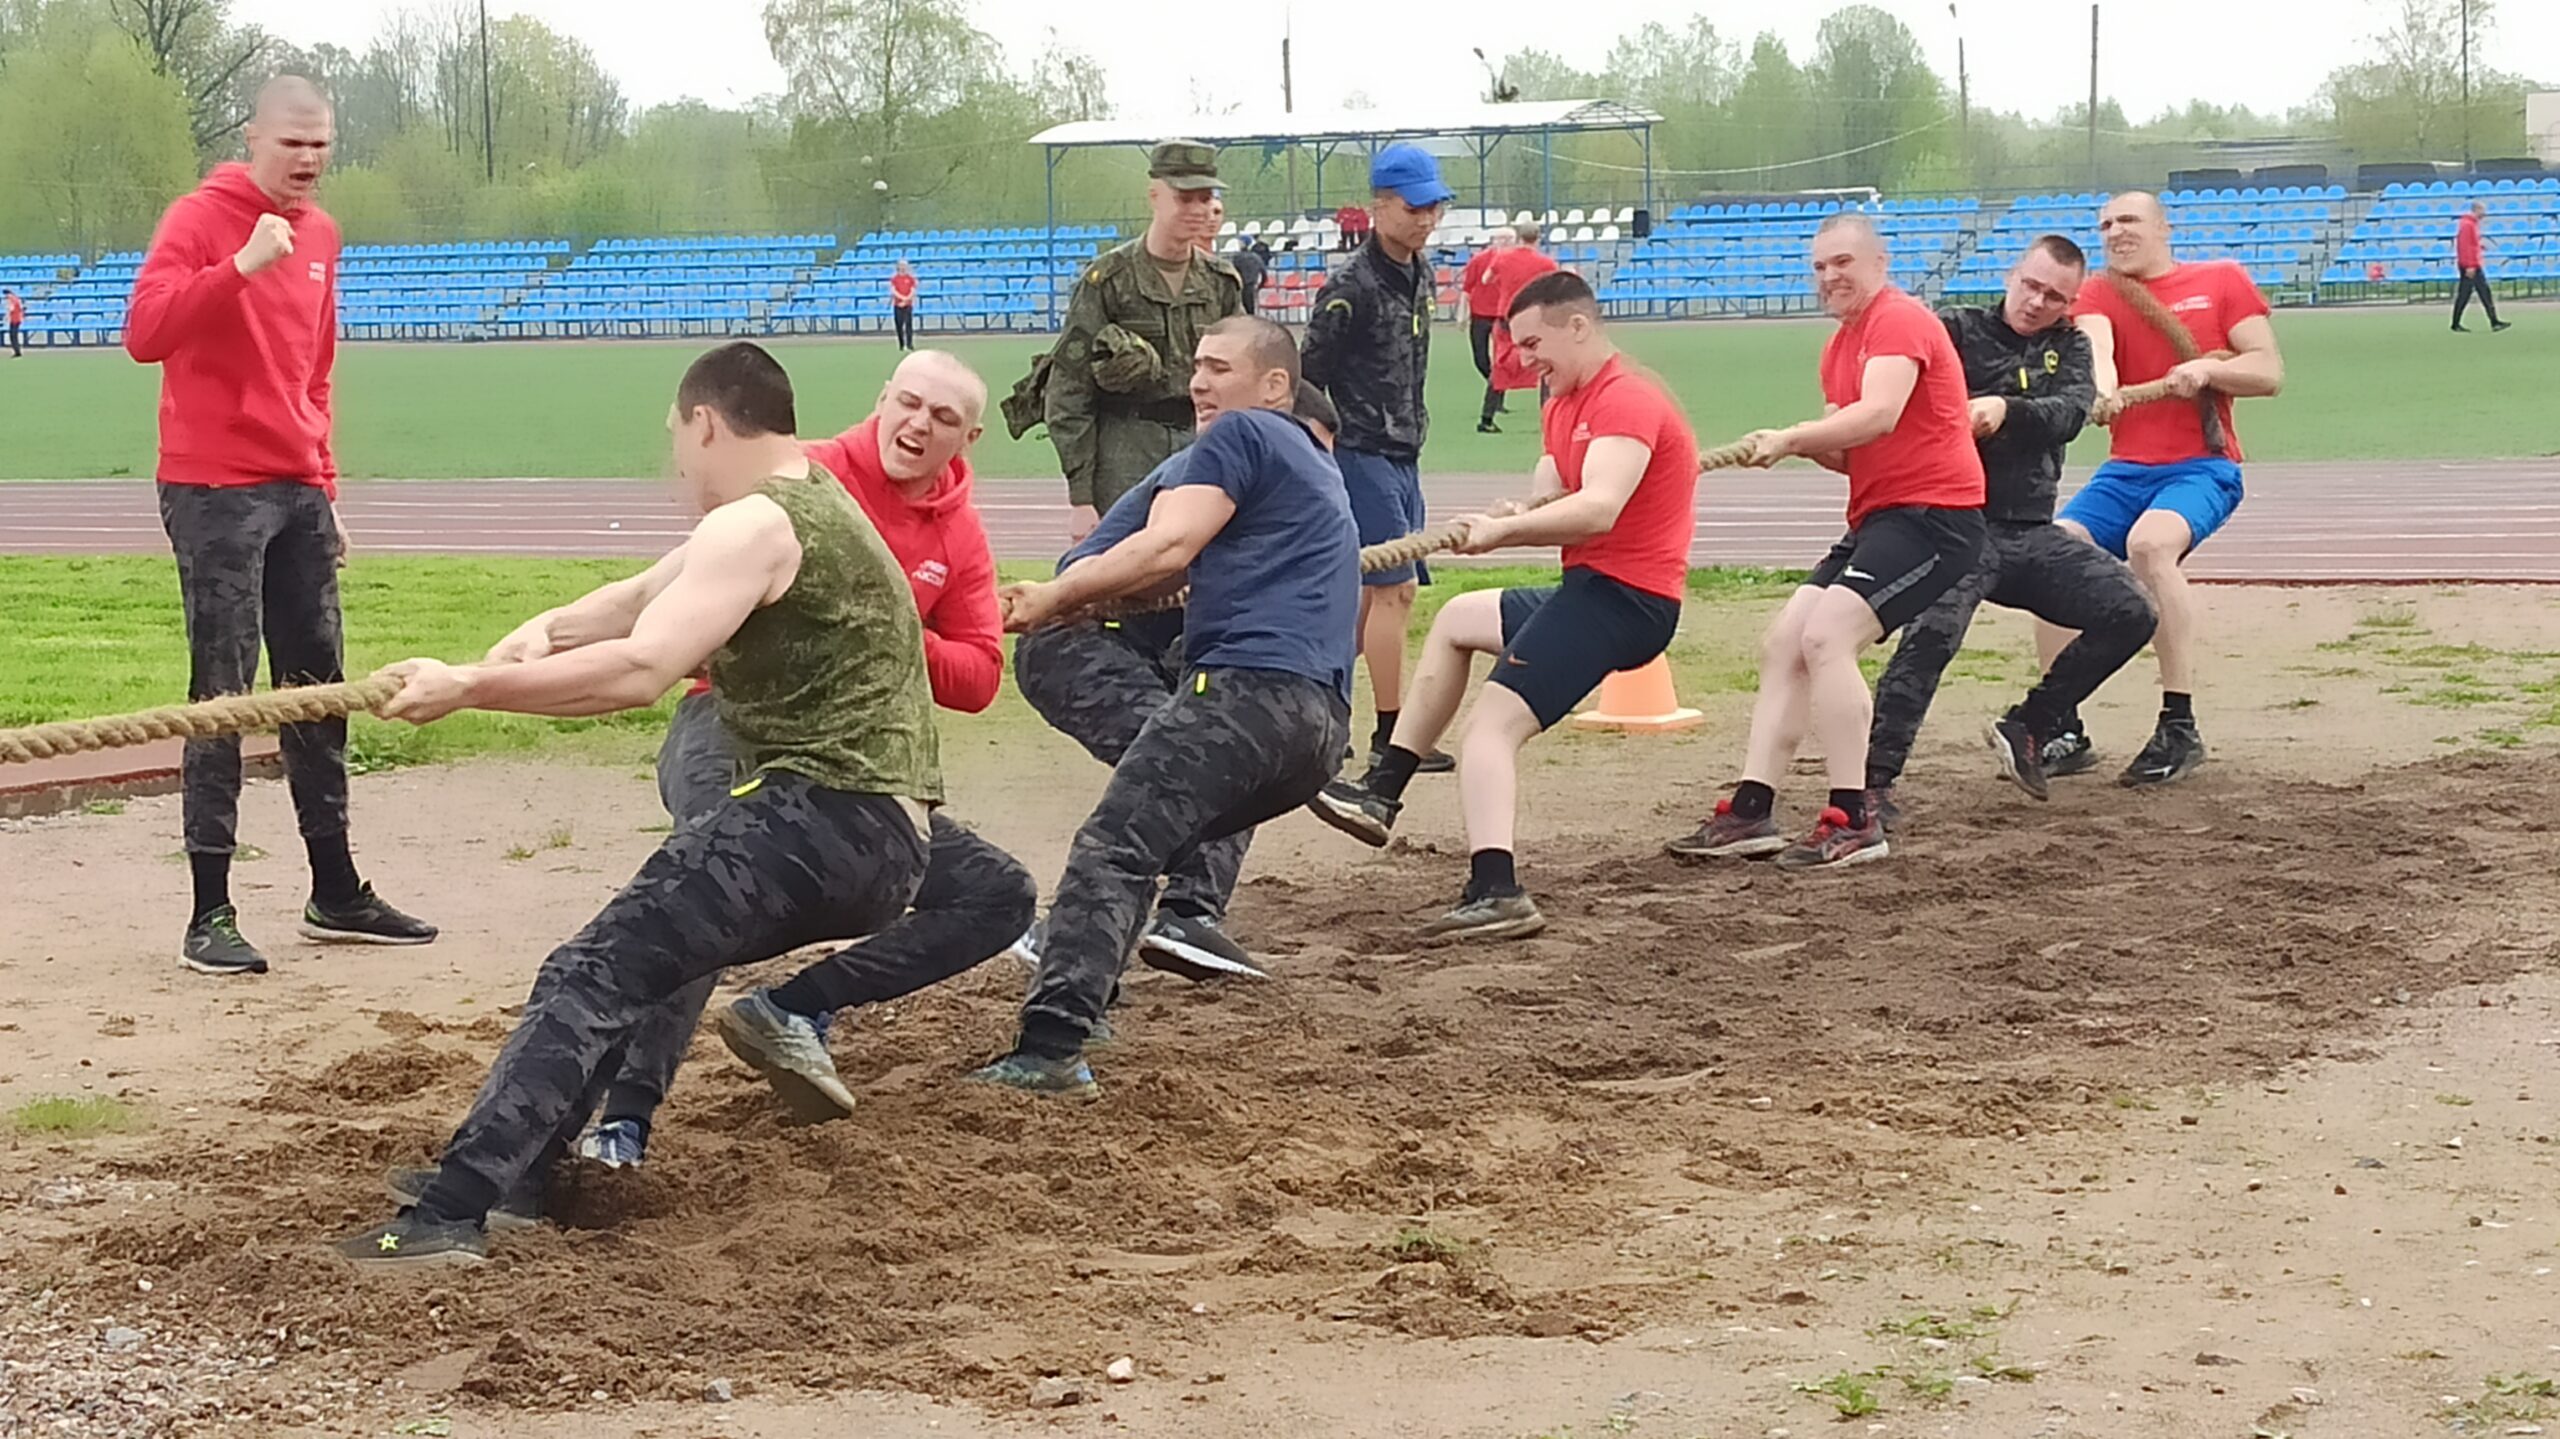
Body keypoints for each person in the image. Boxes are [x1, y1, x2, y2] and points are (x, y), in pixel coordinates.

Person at [335, 342, 944, 1265]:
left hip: (826, 816)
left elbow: (642, 668)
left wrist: (466, 686)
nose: (676, 462)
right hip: (876, 830)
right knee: (628, 967)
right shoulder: (804, 502)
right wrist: (543, 631)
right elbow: (640, 600)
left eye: (677, 438)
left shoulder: (756, 524)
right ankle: (517, 1180)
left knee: (590, 970)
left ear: (706, 422)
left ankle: (448, 1215)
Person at [567, 349, 1034, 1168]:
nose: (920, 425)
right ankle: (623, 1117)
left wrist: (879, 623)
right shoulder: (801, 479)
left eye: (944, 418)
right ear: (882, 398)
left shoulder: (957, 532)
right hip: (728, 719)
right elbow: (670, 601)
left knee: (1000, 895)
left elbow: (981, 675)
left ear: (971, 436)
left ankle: (796, 1007)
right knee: (705, 882)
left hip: (852, 772)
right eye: (909, 403)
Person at [975, 317, 1357, 1097]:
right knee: (1144, 837)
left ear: (1275, 386)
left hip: (1244, 693)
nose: (1198, 382)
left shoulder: (1243, 436)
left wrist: (1050, 595)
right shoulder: (1321, 469)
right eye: (1196, 368)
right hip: (1318, 728)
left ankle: (1051, 1044)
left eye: (1219, 366)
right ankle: (1112, 963)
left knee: (1113, 846)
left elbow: (1164, 548)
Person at [125, 76, 434, 977]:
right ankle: (208, 911)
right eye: (291, 143)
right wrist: (240, 268)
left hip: (297, 484)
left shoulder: (326, 235)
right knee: (221, 691)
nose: (307, 160)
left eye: (322, 144)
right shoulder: (199, 219)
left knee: (318, 687)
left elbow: (316, 369)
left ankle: (335, 890)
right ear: (252, 140)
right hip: (213, 486)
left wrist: (325, 483)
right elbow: (144, 331)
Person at [1313, 272, 1697, 939]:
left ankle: (1497, 888)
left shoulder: (1625, 400)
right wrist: (1519, 508)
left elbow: (1599, 508)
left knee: (1490, 727)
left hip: (1628, 600)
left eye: (1531, 342)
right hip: (1593, 590)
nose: (1522, 360)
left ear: (1577, 325)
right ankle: (1383, 791)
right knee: (1459, 620)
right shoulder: (1565, 398)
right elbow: (1554, 489)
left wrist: (1501, 532)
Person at [1664, 211, 1985, 870]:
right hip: (1881, 516)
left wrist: (1793, 435)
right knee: (1786, 640)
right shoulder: (1840, 347)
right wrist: (1801, 447)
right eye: (1819, 266)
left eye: (1842, 262)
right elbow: (1853, 448)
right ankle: (1752, 809)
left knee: (1826, 637)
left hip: (1936, 515)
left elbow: (1879, 414)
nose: (1829, 276)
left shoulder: (1897, 320)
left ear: (1878, 264)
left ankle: (1855, 815)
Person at [1009, 379, 1344, 982]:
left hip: (1155, 651)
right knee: (1199, 762)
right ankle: (1143, 920)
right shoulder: (1212, 462)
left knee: (1221, 763)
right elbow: (1163, 539)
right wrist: (1177, 572)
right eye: (1316, 448)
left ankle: (1184, 912)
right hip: (1078, 640)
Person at [1861, 236, 2157, 819]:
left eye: (2054, 296)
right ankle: (1871, 783)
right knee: (1930, 640)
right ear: (2011, 274)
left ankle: (2031, 725)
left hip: (2027, 532)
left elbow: (2070, 413)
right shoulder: (1954, 331)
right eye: (2031, 285)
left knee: (2132, 611)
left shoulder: (2069, 347)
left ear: (2070, 303)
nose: (2037, 302)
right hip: (1951, 525)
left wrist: (2004, 409)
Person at [2038, 191, 2284, 787]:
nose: (2115, 232)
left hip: (2203, 466)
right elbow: (2097, 345)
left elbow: (2268, 372)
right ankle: (2058, 722)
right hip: (2125, 471)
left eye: (2128, 220)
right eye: (2104, 224)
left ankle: (2179, 722)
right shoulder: (2099, 291)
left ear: (2163, 227)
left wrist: (2208, 371)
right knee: (2050, 552)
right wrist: (2103, 387)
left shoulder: (2222, 279)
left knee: (2150, 546)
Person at [1303, 142, 1452, 774]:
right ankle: (1390, 735)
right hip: (1361, 452)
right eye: (1414, 208)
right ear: (1379, 208)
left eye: (1434, 207)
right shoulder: (1349, 287)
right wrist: (1323, 447)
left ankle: (1317, 706)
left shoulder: (1421, 272)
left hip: (1404, 452)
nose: (1425, 220)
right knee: (1392, 594)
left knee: (1368, 603)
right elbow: (1310, 374)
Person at [1041, 140, 1246, 542]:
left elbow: (1240, 373)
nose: (1199, 209)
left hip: (1199, 444)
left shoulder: (1221, 283)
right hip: (1126, 451)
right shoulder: (1109, 281)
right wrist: (1081, 498)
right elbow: (1069, 389)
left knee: (1206, 574)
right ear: (1155, 196)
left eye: (1207, 198)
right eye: (1186, 198)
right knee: (1119, 584)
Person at [1480, 221, 1560, 432]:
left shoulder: (1503, 258)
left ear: (1518, 238)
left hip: (1507, 317)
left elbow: (1486, 279)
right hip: (1533, 318)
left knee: (1500, 366)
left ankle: (1486, 418)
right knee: (1545, 365)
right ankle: (1547, 418)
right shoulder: (1546, 263)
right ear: (1538, 238)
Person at [1460, 230, 1514, 430]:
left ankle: (1495, 395)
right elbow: (1467, 287)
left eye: (1509, 240)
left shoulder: (1514, 262)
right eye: (1502, 239)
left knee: (1503, 358)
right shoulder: (1479, 260)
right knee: (1480, 358)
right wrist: (1461, 313)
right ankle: (1497, 386)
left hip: (1502, 315)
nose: (1505, 243)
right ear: (1493, 241)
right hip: (1480, 313)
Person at [2451, 201, 2511, 333]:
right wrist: (2470, 266)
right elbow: (2465, 247)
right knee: (2472, 294)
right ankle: (2492, 322)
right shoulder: (2468, 225)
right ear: (2476, 210)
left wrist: (2479, 246)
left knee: (2478, 293)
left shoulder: (2470, 224)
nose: (2485, 213)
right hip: (2471, 265)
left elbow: (2470, 244)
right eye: (2483, 210)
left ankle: (2493, 321)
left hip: (2471, 264)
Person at [1230, 235, 1268, 315]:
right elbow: (1264, 274)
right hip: (1251, 285)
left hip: (1241, 286)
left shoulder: (1237, 257)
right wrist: (1260, 285)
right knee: (1251, 309)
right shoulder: (1256, 257)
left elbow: (1233, 272)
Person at [889, 260, 918, 351]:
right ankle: (901, 344)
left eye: (904, 265)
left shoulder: (911, 279)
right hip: (898, 305)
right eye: (901, 265)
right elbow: (893, 291)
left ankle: (910, 344)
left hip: (908, 305)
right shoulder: (894, 279)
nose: (903, 267)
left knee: (909, 325)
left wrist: (906, 299)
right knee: (899, 325)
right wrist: (902, 298)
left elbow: (913, 291)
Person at [4, 287, 22, 357]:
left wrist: (6, 315)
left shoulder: (12, 299)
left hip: (15, 319)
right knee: (14, 336)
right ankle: (17, 351)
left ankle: (17, 351)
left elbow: (12, 308)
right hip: (17, 319)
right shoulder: (16, 298)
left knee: (13, 336)